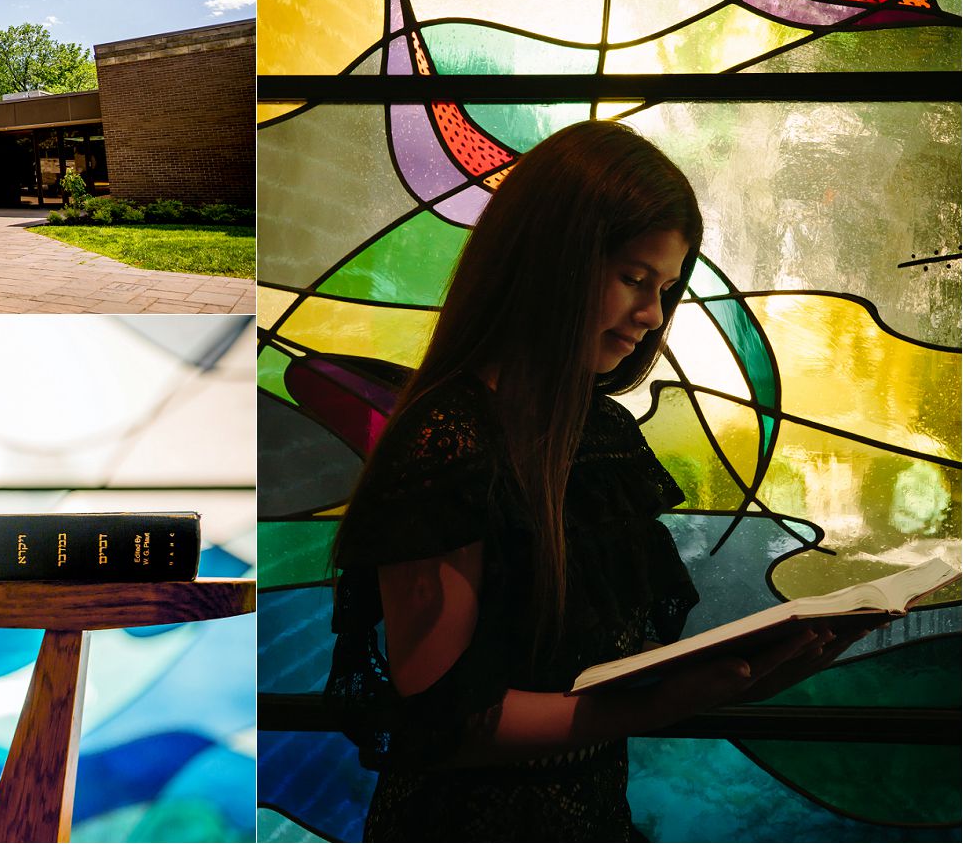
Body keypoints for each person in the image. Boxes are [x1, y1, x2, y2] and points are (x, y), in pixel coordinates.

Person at [325, 120, 857, 842]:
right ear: (553, 263)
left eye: (665, 288)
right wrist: (660, 702)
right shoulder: (448, 439)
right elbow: (447, 720)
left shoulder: (599, 433)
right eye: (635, 279)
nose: (651, 316)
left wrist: (759, 669)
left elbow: (598, 676)